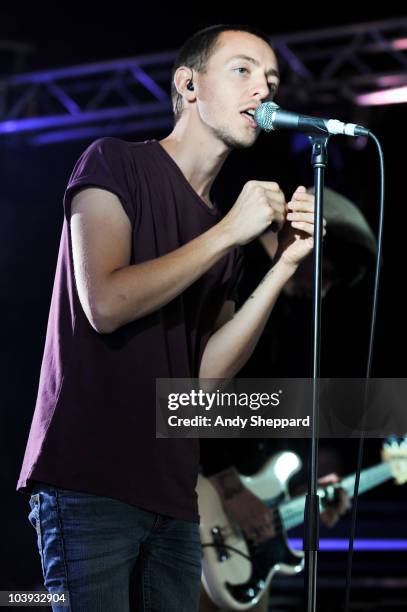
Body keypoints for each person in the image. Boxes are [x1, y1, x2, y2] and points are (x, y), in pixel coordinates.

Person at [17, 24, 323, 612]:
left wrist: (282, 267)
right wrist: (230, 231)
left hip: (176, 496)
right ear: (188, 83)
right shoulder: (114, 162)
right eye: (243, 70)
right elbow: (104, 304)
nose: (264, 88)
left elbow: (205, 383)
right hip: (90, 483)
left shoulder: (228, 238)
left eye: (272, 79)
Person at [199, 187, 377, 611]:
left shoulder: (290, 316)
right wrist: (227, 483)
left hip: (247, 536)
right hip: (199, 507)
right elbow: (194, 384)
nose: (324, 290)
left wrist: (301, 491)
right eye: (327, 272)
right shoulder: (233, 270)